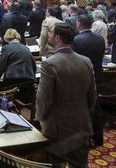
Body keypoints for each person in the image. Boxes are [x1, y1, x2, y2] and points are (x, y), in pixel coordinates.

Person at [36, 23, 96, 168]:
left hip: (58, 128)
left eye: (51, 34)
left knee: (56, 164)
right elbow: (92, 95)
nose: (48, 36)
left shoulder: (50, 64)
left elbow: (44, 98)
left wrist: (41, 119)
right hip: (81, 124)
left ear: (57, 37)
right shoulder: (86, 61)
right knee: (81, 164)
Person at [71, 14, 105, 146]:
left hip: (82, 78)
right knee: (95, 107)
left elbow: (74, 61)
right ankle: (98, 137)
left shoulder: (77, 40)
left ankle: (83, 137)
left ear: (79, 24)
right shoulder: (100, 38)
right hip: (98, 75)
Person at [0, 29, 36, 100]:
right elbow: (33, 65)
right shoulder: (25, 47)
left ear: (6, 38)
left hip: (13, 80)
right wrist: (32, 76)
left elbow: (2, 65)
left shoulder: (6, 48)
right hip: (28, 80)